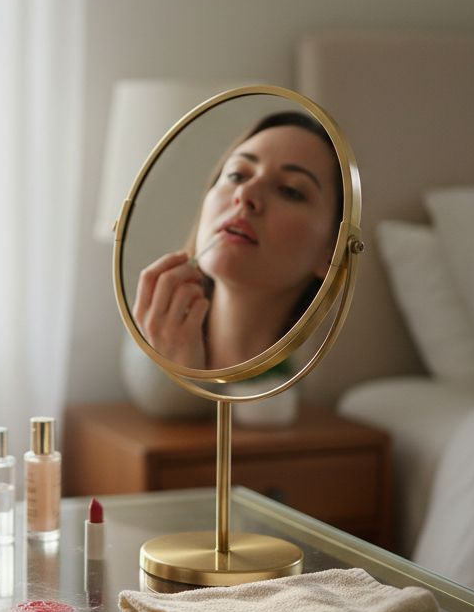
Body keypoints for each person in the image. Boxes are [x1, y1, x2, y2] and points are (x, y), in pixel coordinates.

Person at [124, 112, 339, 418]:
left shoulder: (296, 400)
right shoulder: (146, 340)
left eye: (290, 190)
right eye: (237, 175)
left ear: (331, 254)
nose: (245, 194)